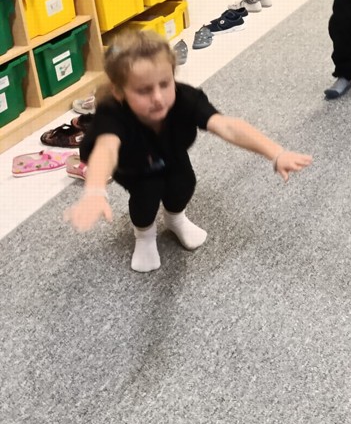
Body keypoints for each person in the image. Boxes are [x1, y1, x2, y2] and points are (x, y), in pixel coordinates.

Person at [67, 30, 312, 273]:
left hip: (171, 154)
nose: (158, 98)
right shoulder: (113, 112)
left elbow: (227, 126)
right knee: (146, 197)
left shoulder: (186, 98)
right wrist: (95, 190)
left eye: (165, 84)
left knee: (184, 184)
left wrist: (276, 153)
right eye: (143, 90)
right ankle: (144, 235)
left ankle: (175, 219)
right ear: (119, 92)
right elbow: (106, 149)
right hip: (134, 166)